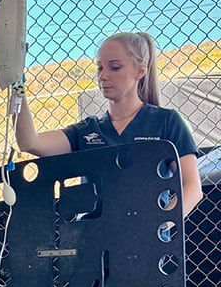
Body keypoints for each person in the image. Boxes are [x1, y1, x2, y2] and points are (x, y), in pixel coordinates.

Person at [15, 31, 203, 216]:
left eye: (115, 67)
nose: (103, 76)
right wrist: (16, 86)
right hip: (93, 240)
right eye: (100, 68)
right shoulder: (87, 131)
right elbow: (30, 142)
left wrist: (161, 225)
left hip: (147, 242)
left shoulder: (166, 122)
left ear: (140, 70)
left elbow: (192, 187)